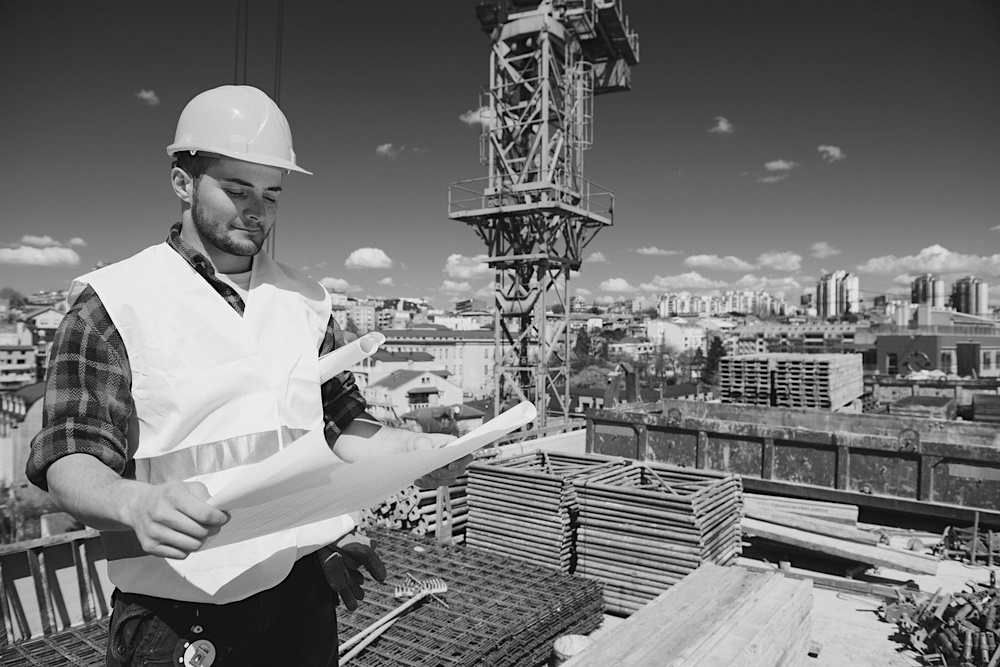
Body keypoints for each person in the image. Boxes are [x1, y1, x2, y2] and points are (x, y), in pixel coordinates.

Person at [26, 85, 471, 667]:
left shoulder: (306, 301)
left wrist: (415, 449)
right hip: (179, 614)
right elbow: (68, 459)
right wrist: (131, 502)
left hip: (303, 595)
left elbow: (340, 427)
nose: (257, 209)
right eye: (236, 190)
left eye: (271, 193)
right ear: (183, 182)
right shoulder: (113, 305)